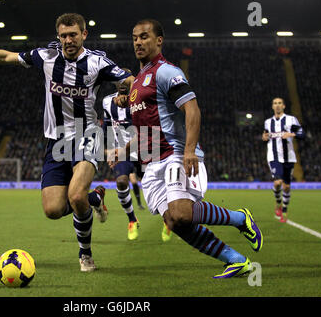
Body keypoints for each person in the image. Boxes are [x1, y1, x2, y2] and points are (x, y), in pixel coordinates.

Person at [0, 13, 134, 272]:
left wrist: (126, 91)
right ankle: (94, 199)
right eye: (63, 35)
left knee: (75, 196)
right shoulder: (46, 57)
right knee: (52, 210)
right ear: (58, 36)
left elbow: (127, 78)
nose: (68, 40)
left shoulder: (97, 62)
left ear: (84, 34)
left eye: (73, 34)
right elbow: (5, 56)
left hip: (87, 136)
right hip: (56, 142)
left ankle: (85, 255)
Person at [109, 19, 263, 278]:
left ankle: (240, 218)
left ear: (159, 41)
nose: (138, 41)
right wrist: (122, 151)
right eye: (135, 37)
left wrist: (189, 151)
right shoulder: (136, 85)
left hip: (175, 155)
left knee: (181, 213)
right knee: (173, 222)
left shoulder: (166, 72)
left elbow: (192, 109)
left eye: (144, 36)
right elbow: (146, 133)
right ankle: (235, 260)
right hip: (151, 164)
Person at [102, 74, 143, 240]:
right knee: (121, 182)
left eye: (126, 82)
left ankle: (168, 219)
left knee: (155, 184)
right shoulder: (106, 102)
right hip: (122, 151)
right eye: (119, 82)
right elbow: (106, 124)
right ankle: (132, 219)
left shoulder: (141, 100)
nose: (123, 85)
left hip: (144, 147)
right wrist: (109, 149)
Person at [262, 97, 305, 223]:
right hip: (274, 156)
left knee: (286, 186)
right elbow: (265, 134)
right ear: (272, 106)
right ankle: (278, 203)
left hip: (289, 157)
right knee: (277, 182)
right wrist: (264, 136)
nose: (277, 105)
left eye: (279, 103)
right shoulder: (267, 122)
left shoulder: (291, 119)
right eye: (275, 103)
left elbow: (302, 134)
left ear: (284, 106)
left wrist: (291, 134)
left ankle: (284, 209)